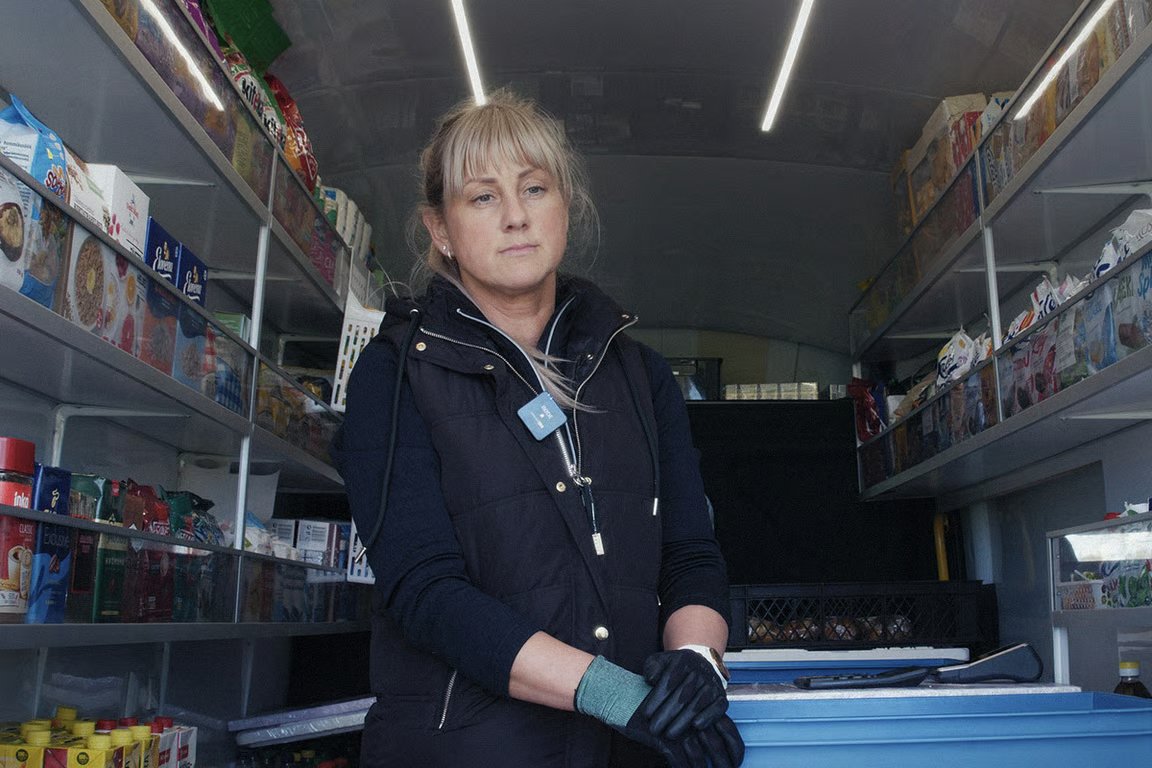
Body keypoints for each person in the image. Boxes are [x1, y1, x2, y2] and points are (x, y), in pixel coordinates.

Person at [332, 89, 744, 768]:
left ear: (567, 206)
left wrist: (698, 662)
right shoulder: (395, 376)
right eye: (483, 197)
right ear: (439, 228)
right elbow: (423, 591)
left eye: (534, 188)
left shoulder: (640, 376)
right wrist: (615, 694)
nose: (517, 216)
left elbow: (691, 553)